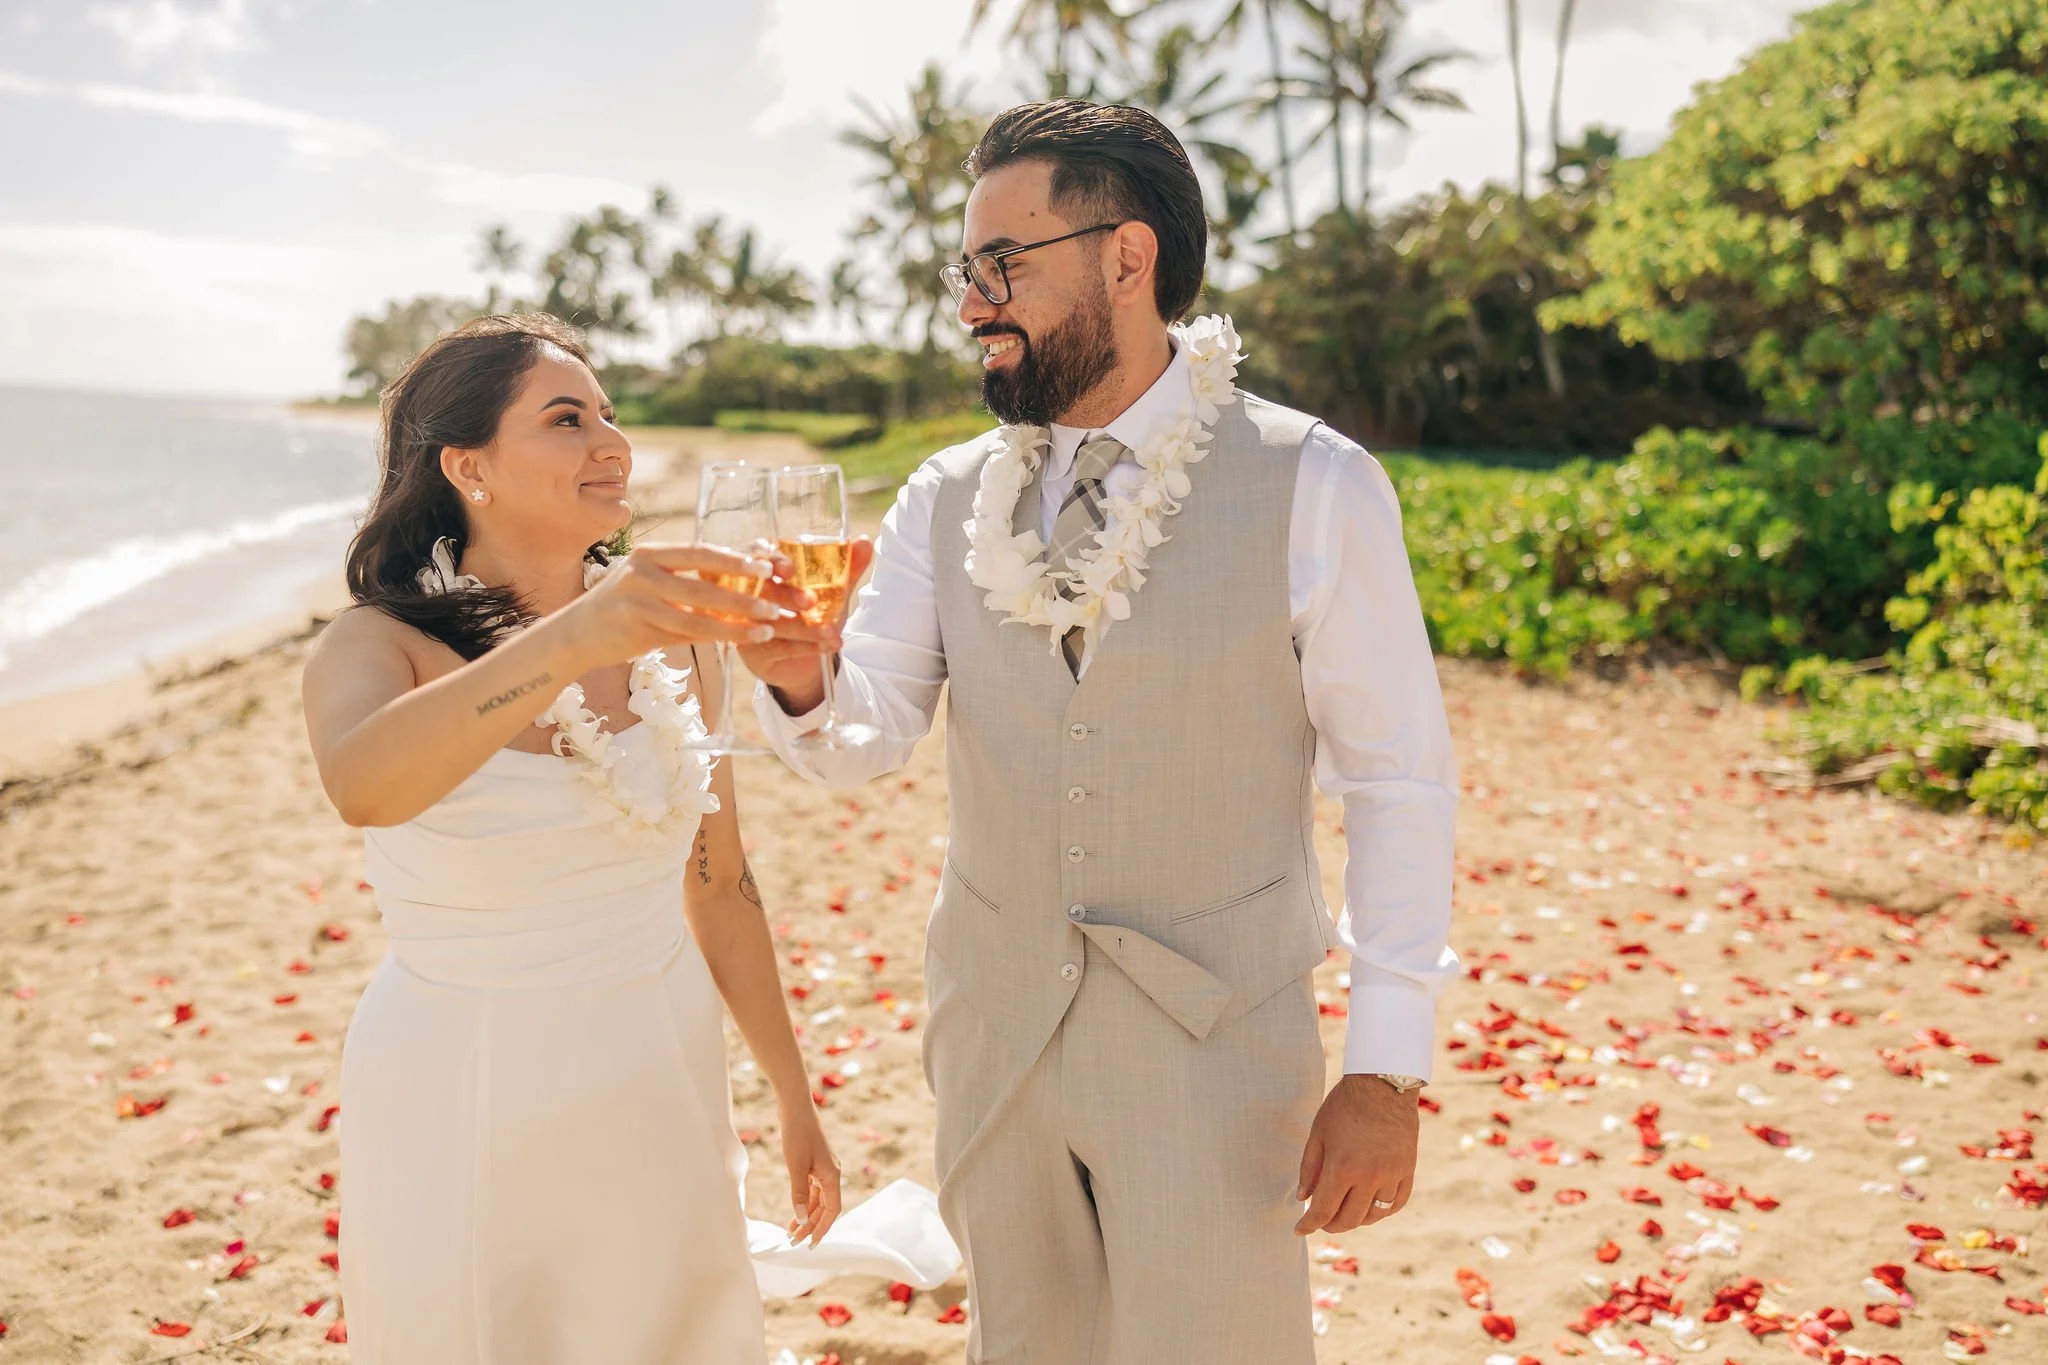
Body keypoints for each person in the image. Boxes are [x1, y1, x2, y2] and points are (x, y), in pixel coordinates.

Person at [741, 101, 1461, 1364]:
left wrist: (1383, 1071)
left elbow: (1397, 784)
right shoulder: (944, 494)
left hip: (1219, 1053)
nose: (972, 302)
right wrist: (800, 678)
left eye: (1001, 264)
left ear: (1126, 258)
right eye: (963, 270)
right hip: (992, 1033)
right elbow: (864, 737)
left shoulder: (1317, 483)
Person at [302, 314, 846, 1362]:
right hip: (474, 1083)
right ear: (468, 467)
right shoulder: (377, 642)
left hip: (661, 1070)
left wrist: (790, 1092)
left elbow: (722, 888)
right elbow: (362, 787)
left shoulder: (678, 647)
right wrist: (573, 638)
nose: (611, 443)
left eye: (606, 413)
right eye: (565, 418)